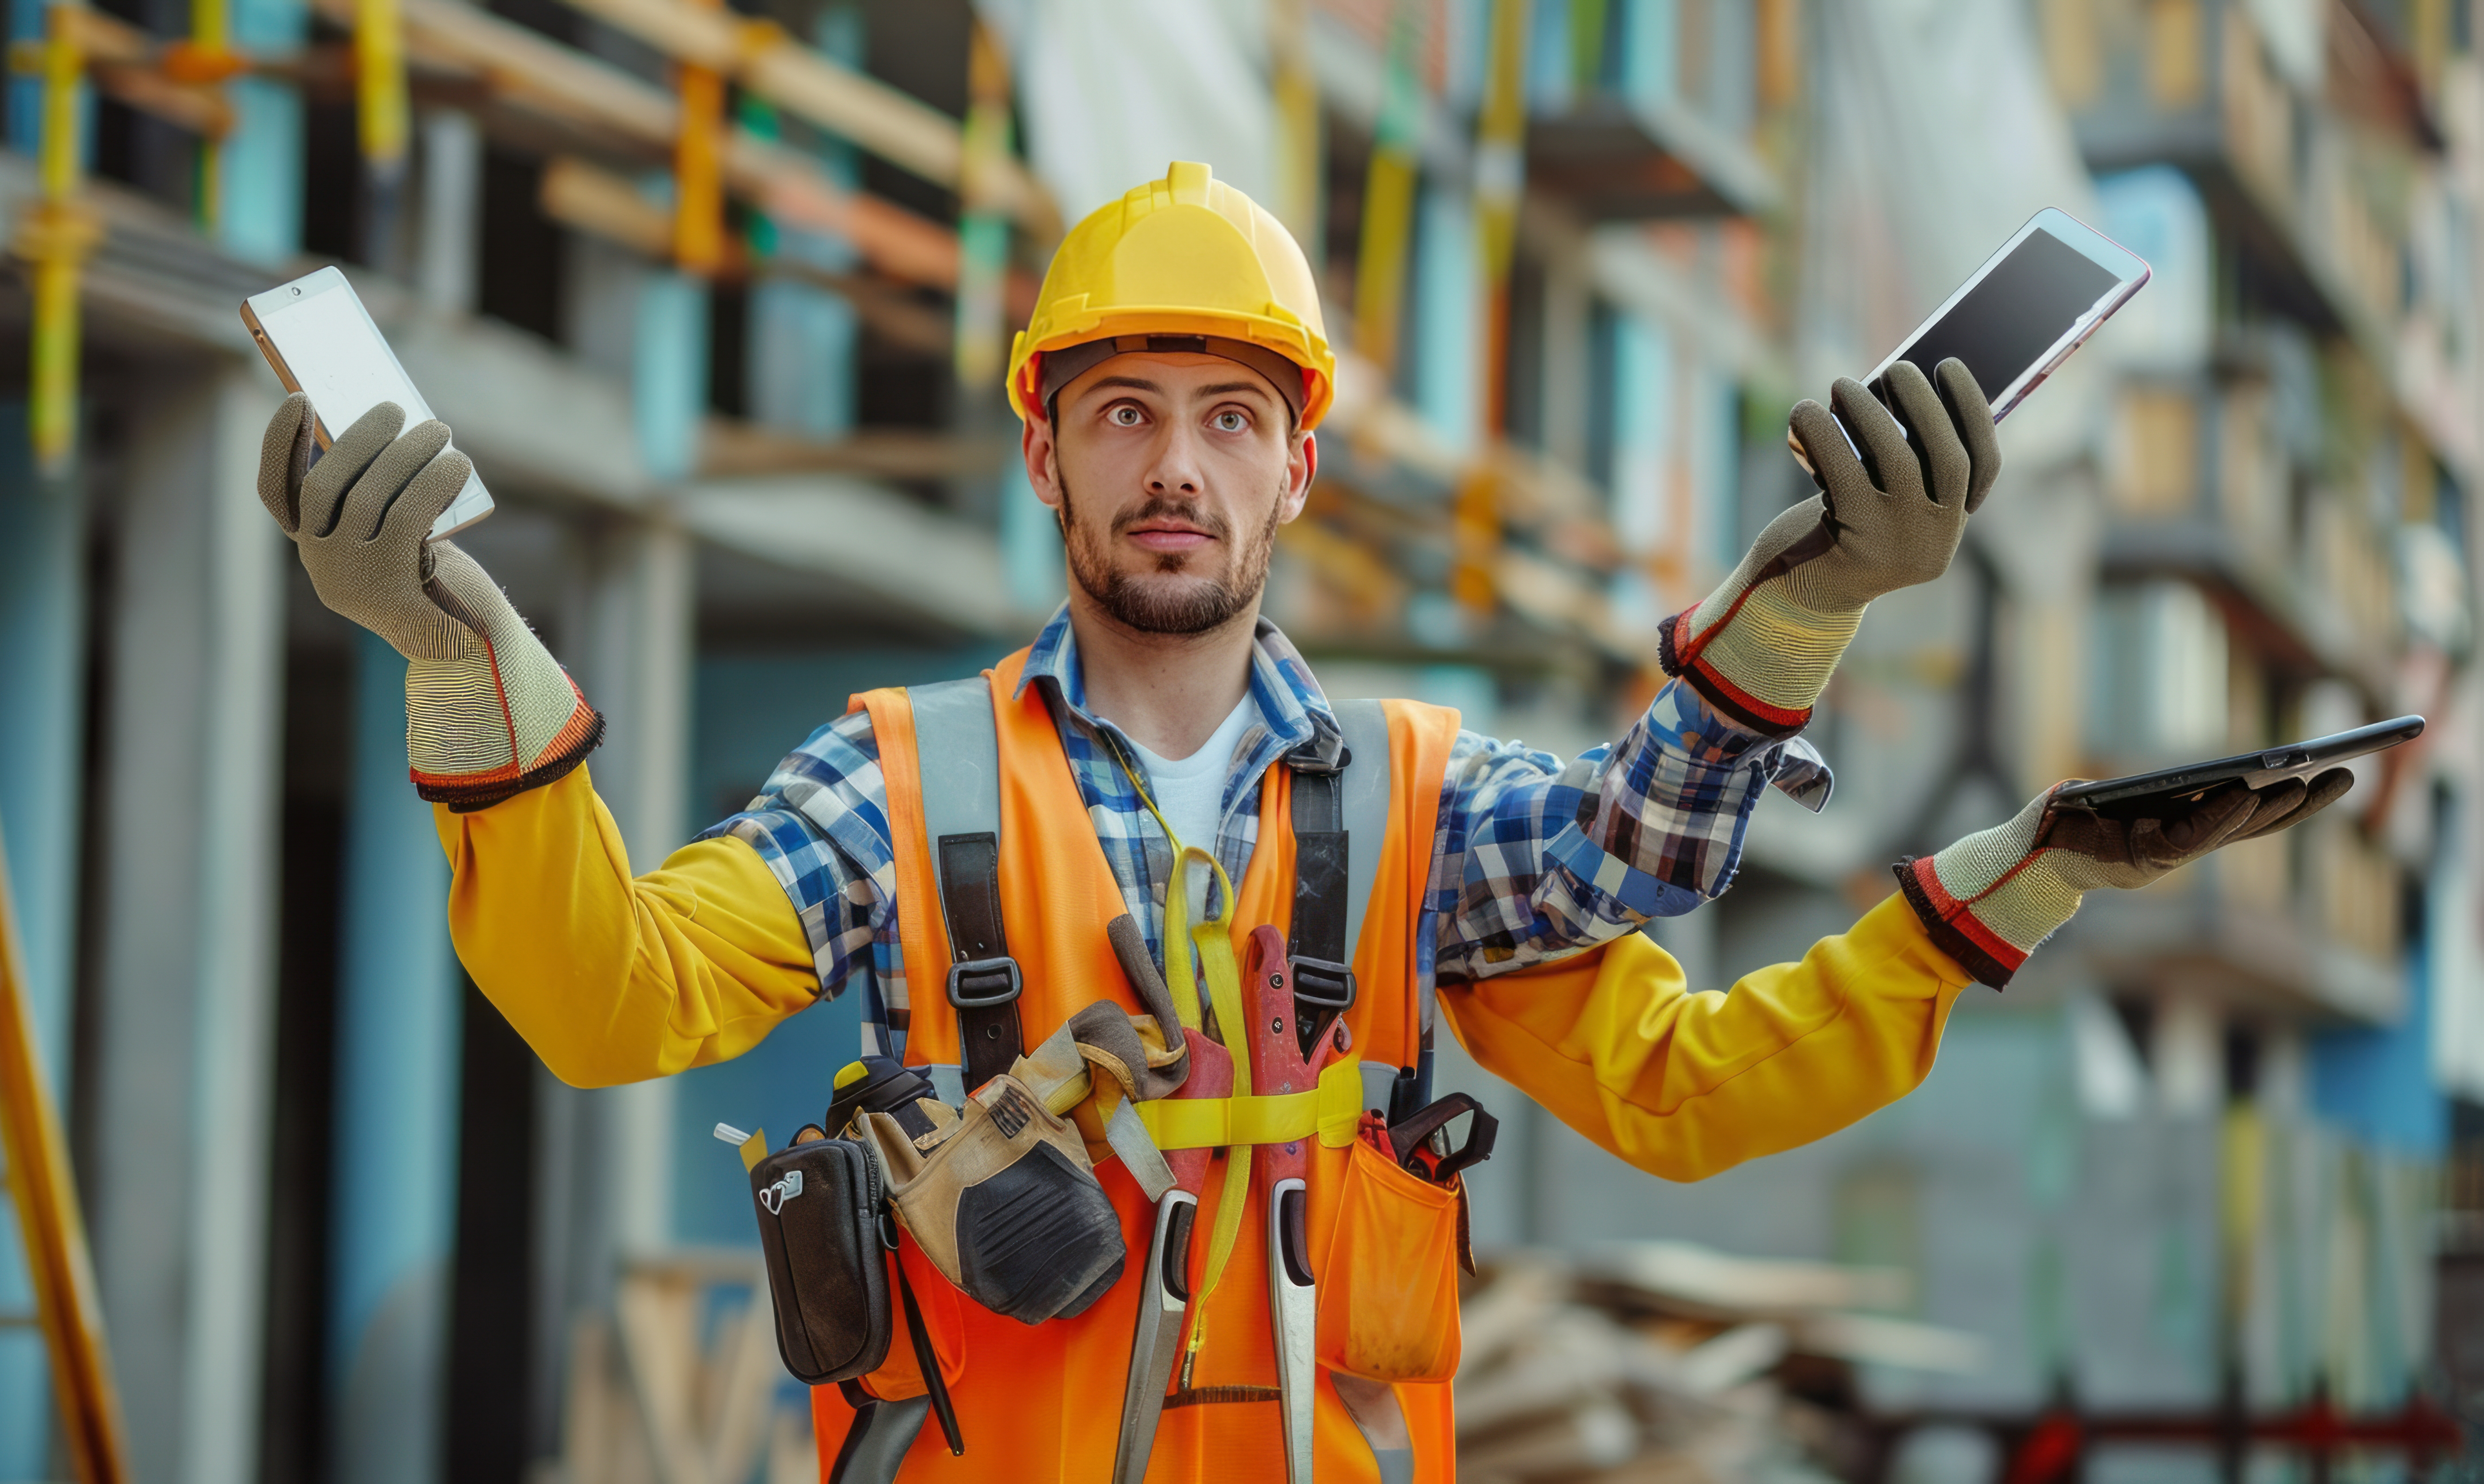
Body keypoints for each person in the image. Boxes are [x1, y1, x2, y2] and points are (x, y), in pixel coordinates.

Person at [255, 162, 2347, 1483]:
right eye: (1125, 415)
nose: (1179, 464)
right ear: (1049, 465)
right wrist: (460, 668)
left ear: (1299, 474)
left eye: (1231, 418)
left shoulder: (1423, 809)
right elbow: (616, 997)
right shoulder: (887, 785)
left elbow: (1659, 954)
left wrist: (1886, 705)